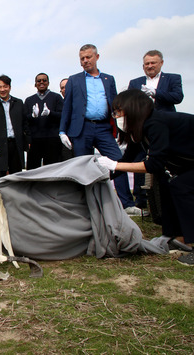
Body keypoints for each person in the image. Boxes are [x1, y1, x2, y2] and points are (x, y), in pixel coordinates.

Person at [97, 89, 194, 265]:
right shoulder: (139, 131)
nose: (116, 115)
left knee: (181, 187)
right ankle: (178, 238)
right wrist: (104, 174)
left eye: (118, 111)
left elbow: (154, 164)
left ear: (133, 108)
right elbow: (127, 160)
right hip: (187, 163)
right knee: (168, 186)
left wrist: (115, 165)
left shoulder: (156, 123)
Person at [59, 44, 139, 216]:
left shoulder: (109, 79)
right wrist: (62, 131)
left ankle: (127, 203)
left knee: (119, 162)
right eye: (82, 58)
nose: (85, 61)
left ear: (97, 57)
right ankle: (84, 205)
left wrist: (120, 130)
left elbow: (116, 106)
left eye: (88, 57)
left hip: (103, 128)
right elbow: (68, 106)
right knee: (82, 167)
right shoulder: (74, 80)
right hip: (81, 128)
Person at [127, 50, 185, 210]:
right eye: (147, 63)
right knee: (139, 160)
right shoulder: (135, 82)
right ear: (143, 65)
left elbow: (178, 97)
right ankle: (140, 199)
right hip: (143, 128)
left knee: (167, 160)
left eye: (153, 63)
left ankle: (168, 195)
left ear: (161, 63)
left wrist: (156, 93)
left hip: (166, 128)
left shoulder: (173, 78)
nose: (150, 66)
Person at [0, 75, 30, 184]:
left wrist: (28, 141)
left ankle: (16, 200)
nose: (2, 90)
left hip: (16, 145)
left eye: (5, 86)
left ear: (9, 87)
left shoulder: (18, 103)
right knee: (0, 178)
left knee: (16, 177)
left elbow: (25, 124)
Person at [24, 73, 64, 169]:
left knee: (52, 169)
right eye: (39, 81)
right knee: (33, 169)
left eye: (44, 80)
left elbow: (62, 115)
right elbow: (24, 120)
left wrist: (50, 113)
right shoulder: (29, 100)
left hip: (52, 139)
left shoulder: (56, 97)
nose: (41, 82)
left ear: (48, 83)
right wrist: (32, 116)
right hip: (35, 140)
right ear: (35, 84)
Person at [59, 78, 73, 161]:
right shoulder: (59, 104)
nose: (64, 89)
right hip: (65, 143)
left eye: (66, 86)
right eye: (62, 88)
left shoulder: (83, 103)